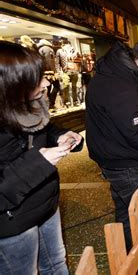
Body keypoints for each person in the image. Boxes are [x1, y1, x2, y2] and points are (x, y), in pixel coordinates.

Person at [0, 41, 83, 273]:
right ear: (11, 84)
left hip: (45, 205)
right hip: (12, 223)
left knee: (56, 264)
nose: (47, 82)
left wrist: (61, 135)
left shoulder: (29, 106)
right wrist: (39, 162)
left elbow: (43, 129)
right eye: (36, 79)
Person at [86, 39, 138, 250]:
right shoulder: (123, 90)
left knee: (126, 213)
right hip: (124, 162)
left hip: (113, 156)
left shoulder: (113, 76)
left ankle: (128, 260)